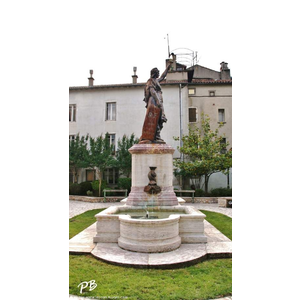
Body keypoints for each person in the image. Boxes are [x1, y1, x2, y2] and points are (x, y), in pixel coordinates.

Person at [140, 61, 172, 143]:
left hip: (158, 101)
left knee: (160, 119)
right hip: (154, 101)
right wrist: (158, 102)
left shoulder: (156, 80)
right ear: (154, 73)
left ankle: (156, 135)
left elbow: (163, 77)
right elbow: (152, 91)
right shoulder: (150, 81)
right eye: (158, 72)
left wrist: (167, 69)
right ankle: (155, 136)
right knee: (156, 118)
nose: (159, 74)